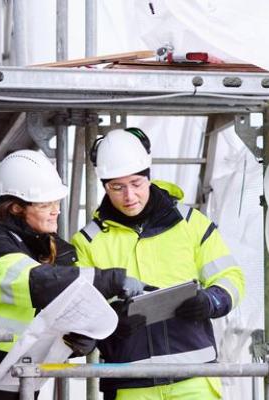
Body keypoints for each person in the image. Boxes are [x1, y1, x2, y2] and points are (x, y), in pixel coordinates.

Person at [0, 149, 152, 400]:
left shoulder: (50, 249)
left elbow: (55, 316)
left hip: (15, 386)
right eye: (45, 204)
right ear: (15, 208)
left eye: (57, 202)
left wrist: (78, 340)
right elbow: (38, 283)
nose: (56, 211)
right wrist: (110, 280)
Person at [71, 128, 245, 400]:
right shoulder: (87, 242)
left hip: (194, 377)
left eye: (136, 184)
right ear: (104, 186)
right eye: (117, 187)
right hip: (129, 383)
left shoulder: (191, 224)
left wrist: (210, 301)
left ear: (149, 177)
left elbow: (231, 277)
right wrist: (113, 321)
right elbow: (80, 311)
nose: (129, 196)